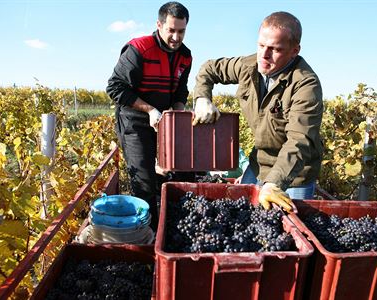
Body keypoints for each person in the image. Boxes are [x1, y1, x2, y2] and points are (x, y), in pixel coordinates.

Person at [192, 11, 323, 212]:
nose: (264, 55)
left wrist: (274, 184)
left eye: (274, 49)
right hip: (258, 164)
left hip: (294, 175)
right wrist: (202, 98)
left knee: (288, 233)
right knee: (245, 218)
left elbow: (299, 140)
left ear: (294, 50)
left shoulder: (306, 85)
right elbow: (209, 69)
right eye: (261, 45)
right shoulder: (249, 66)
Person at [106, 1, 191, 230]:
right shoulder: (139, 49)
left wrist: (177, 111)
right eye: (171, 30)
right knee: (143, 182)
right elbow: (115, 88)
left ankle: (168, 228)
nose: (175, 37)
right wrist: (150, 110)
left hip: (165, 123)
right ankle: (148, 238)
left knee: (170, 174)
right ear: (159, 25)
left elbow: (180, 91)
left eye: (181, 31)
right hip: (135, 121)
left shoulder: (185, 56)